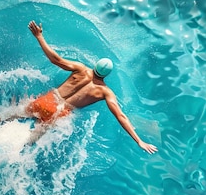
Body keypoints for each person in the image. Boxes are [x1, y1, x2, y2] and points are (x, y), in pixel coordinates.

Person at [23, 20, 158, 154]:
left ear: (95, 65)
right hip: (59, 112)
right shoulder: (105, 92)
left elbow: (56, 60)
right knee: (27, 142)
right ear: (107, 75)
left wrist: (39, 37)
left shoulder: (80, 68)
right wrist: (139, 141)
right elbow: (120, 116)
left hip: (49, 100)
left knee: (13, 113)